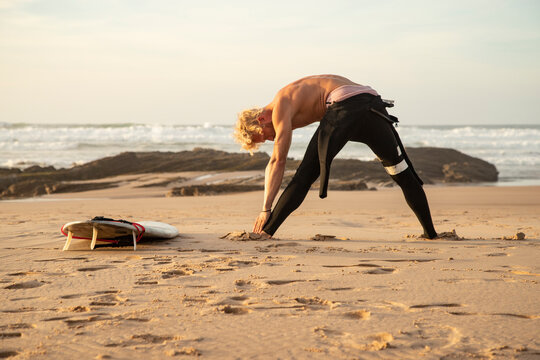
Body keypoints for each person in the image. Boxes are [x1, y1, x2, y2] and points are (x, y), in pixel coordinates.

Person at [234, 74, 437, 239]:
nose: (271, 139)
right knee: (400, 171)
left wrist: (265, 209)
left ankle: (266, 233)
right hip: (372, 105)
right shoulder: (295, 95)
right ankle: (431, 234)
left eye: (265, 136)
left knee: (304, 175)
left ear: (261, 119)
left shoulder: (280, 104)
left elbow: (278, 160)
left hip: (345, 107)